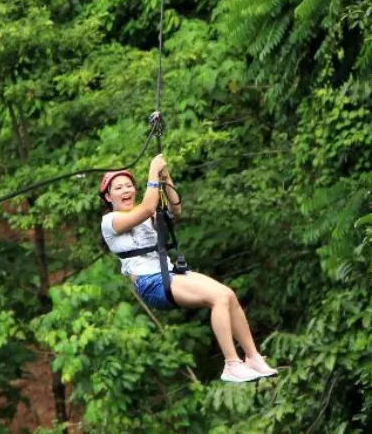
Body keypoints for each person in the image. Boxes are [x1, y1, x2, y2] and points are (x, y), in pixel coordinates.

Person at [99, 153, 277, 384]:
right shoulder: (110, 221)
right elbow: (146, 207)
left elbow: (175, 209)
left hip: (168, 273)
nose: (126, 190)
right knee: (218, 299)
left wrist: (166, 178)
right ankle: (232, 364)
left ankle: (252, 357)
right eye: (118, 188)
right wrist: (153, 172)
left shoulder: (147, 213)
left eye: (129, 186)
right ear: (108, 197)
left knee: (228, 295)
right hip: (151, 283)